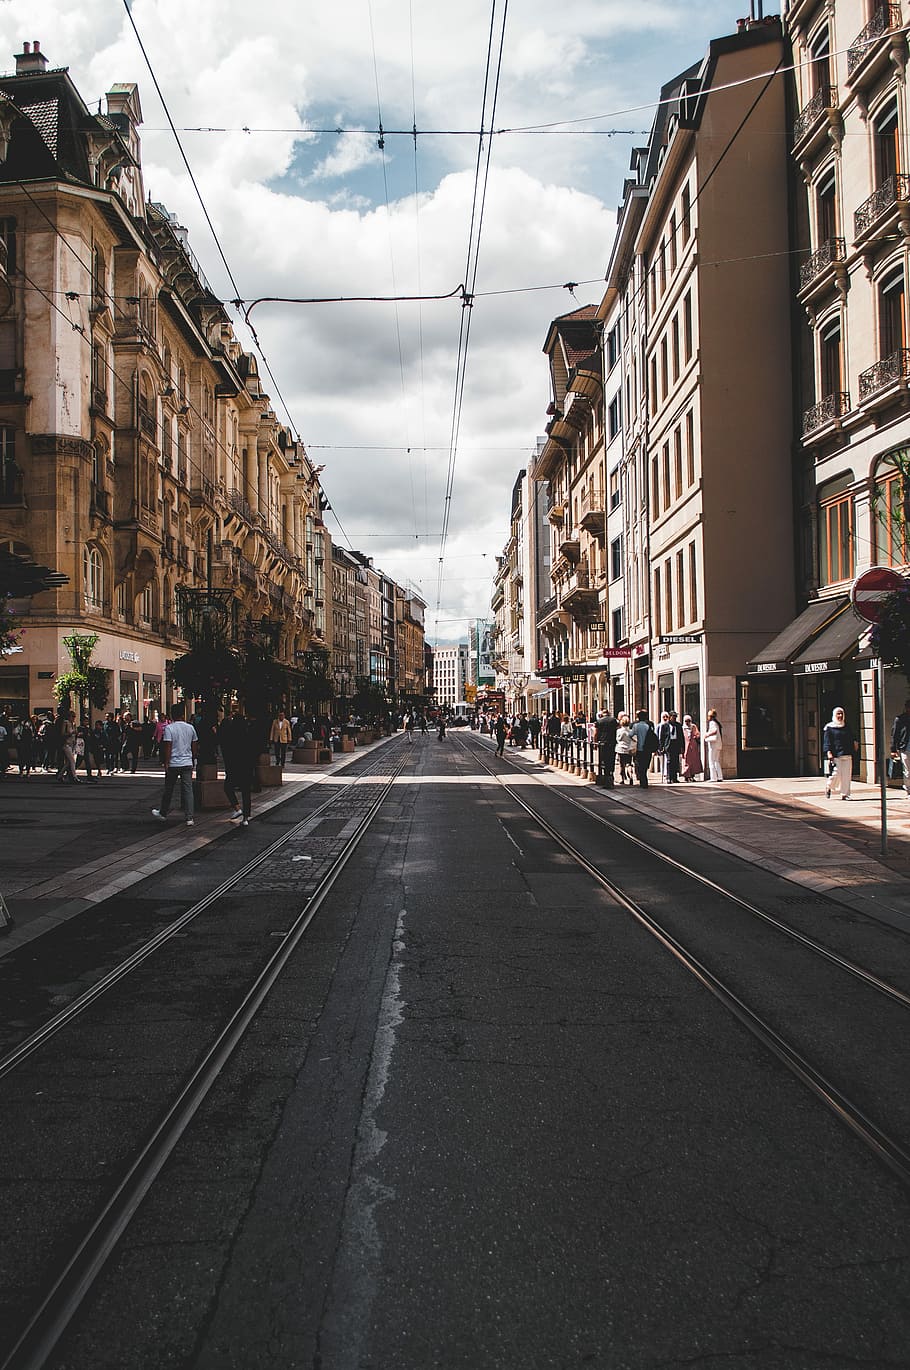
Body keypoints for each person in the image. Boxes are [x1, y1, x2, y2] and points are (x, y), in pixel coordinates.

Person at [152, 700, 198, 826]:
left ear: (171, 715)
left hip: (174, 762)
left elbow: (168, 747)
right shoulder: (190, 728)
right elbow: (194, 745)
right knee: (188, 790)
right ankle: (189, 817)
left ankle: (163, 812)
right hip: (187, 762)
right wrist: (193, 759)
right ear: (182, 714)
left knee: (169, 789)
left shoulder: (169, 728)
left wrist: (166, 763)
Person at [219, 704, 257, 825]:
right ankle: (246, 818)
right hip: (246, 767)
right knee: (246, 791)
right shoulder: (248, 734)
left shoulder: (231, 735)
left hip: (233, 767)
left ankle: (237, 808)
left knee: (228, 787)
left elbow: (225, 748)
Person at [822, 705, 857, 801]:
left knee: (846, 775)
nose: (840, 715)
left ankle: (845, 794)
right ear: (834, 715)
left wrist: (855, 744)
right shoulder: (829, 728)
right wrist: (828, 752)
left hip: (847, 753)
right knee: (836, 774)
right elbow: (827, 741)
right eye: (838, 713)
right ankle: (828, 787)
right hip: (836, 754)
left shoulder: (846, 726)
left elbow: (852, 737)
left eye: (841, 713)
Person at [629, 709, 658, 787]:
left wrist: (634, 740)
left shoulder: (636, 726)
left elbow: (630, 734)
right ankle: (644, 780)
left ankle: (643, 781)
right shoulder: (648, 726)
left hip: (639, 749)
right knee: (645, 765)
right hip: (647, 748)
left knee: (640, 765)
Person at [657, 709, 684, 783]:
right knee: (669, 761)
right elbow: (662, 737)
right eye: (673, 717)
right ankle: (669, 777)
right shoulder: (665, 726)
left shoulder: (678, 725)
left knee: (675, 761)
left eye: (675, 717)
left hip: (676, 744)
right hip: (669, 744)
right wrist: (661, 747)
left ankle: (674, 777)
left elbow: (681, 737)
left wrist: (682, 747)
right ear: (670, 717)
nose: (674, 718)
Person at [890, 699, 910, 797]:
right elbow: (895, 734)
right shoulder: (900, 719)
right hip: (905, 747)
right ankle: (908, 789)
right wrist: (893, 749)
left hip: (905, 747)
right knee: (907, 770)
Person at [594, 708, 618, 787]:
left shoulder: (599, 721)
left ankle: (605, 778)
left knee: (603, 760)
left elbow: (596, 733)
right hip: (612, 743)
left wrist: (595, 742)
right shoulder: (613, 720)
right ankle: (610, 776)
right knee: (611, 760)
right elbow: (617, 730)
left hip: (602, 743)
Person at [704, 708, 724, 782]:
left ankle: (713, 777)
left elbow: (714, 731)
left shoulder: (712, 723)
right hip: (718, 744)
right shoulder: (717, 723)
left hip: (713, 745)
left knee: (711, 760)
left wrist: (707, 734)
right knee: (716, 760)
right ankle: (719, 776)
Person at [615, 713, 636, 785]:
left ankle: (622, 779)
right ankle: (631, 777)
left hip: (621, 749)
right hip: (629, 749)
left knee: (621, 764)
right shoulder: (631, 731)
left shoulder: (619, 731)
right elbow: (634, 739)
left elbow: (618, 739)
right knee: (629, 764)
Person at [681, 715, 703, 782]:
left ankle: (692, 775)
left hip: (693, 747)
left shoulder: (693, 727)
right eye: (686, 721)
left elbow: (698, 734)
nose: (687, 722)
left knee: (693, 761)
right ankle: (686, 776)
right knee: (686, 761)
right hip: (686, 746)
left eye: (689, 721)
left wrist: (696, 737)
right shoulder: (682, 728)